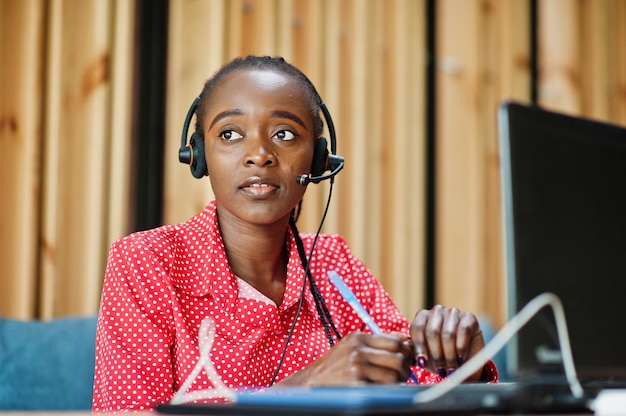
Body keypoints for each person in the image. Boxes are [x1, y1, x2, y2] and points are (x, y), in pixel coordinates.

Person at [92, 55, 497, 413]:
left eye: (285, 134)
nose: (260, 154)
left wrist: (468, 365)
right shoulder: (146, 261)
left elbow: (417, 393)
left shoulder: (333, 263)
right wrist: (302, 389)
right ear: (198, 155)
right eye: (230, 133)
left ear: (319, 159)